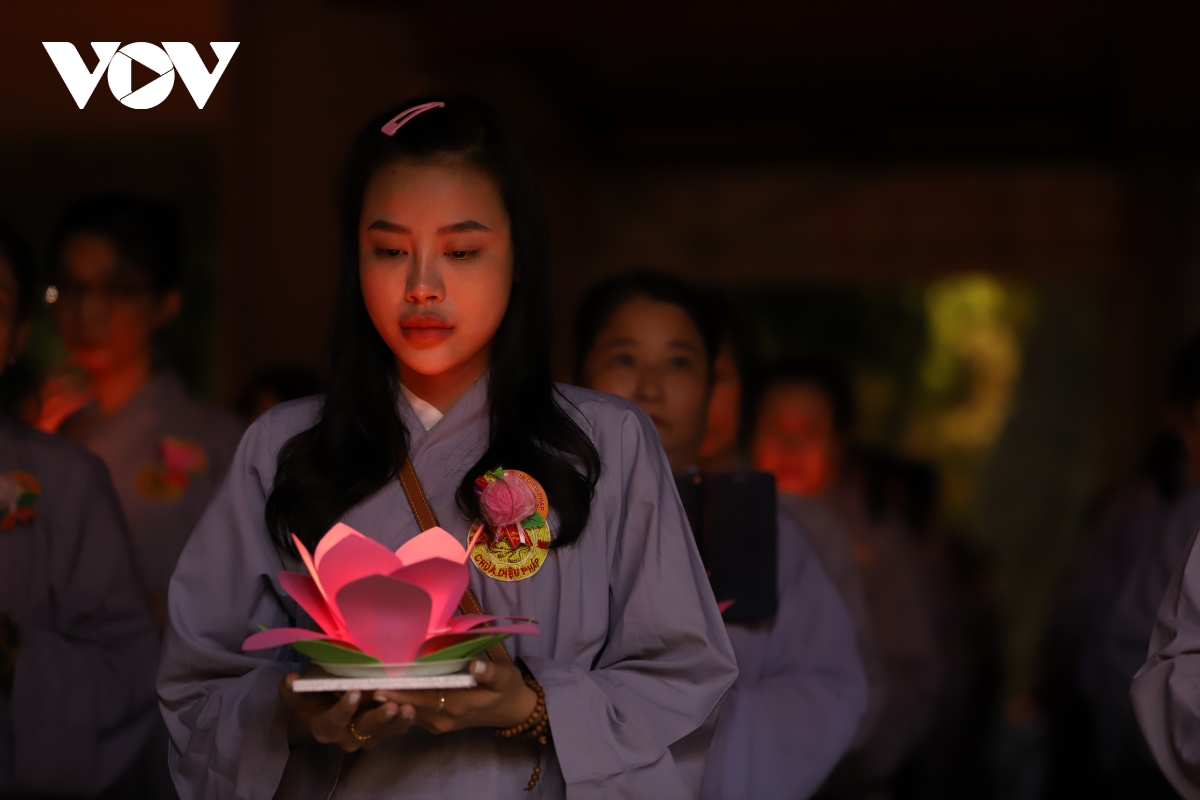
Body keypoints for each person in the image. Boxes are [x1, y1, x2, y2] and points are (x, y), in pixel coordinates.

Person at [158, 96, 738, 800]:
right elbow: (196, 690)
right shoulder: (282, 449)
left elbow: (684, 682)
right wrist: (297, 714)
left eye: (461, 252)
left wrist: (528, 705)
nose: (422, 287)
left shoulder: (603, 443)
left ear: (519, 258)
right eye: (390, 251)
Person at [574, 270, 868, 799]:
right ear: (574, 377)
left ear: (711, 391)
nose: (651, 388)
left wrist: (692, 720)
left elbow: (828, 686)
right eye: (624, 358)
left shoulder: (751, 525)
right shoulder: (529, 518)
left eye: (679, 363)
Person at [0, 221, 160, 795]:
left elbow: (131, 669)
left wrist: (16, 656)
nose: (91, 309)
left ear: (16, 337)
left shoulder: (62, 479)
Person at [40, 195, 244, 625]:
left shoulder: (216, 441)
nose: (85, 310)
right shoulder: (48, 430)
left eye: (115, 289)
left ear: (164, 303)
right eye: (70, 288)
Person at [753, 360, 946, 794]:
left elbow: (913, 670)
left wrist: (857, 748)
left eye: (809, 430)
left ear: (839, 445)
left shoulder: (874, 537)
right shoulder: (717, 520)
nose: (789, 444)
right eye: (775, 427)